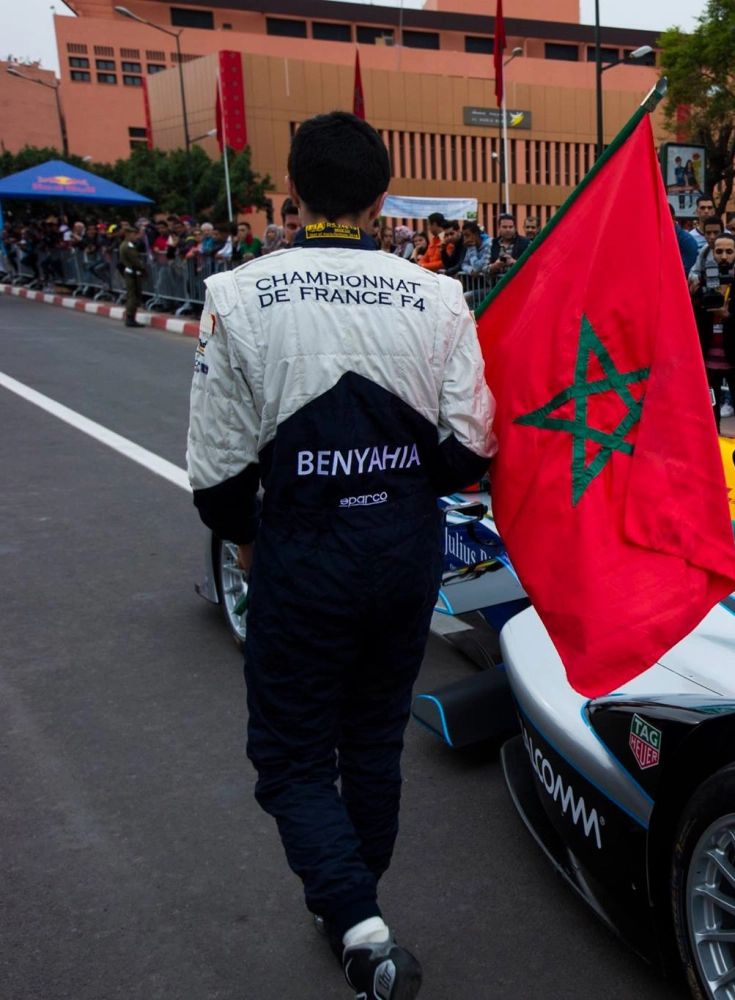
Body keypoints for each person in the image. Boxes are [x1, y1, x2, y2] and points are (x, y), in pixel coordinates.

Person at [185, 110, 496, 1000]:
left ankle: (359, 928)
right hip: (403, 551)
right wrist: (401, 481)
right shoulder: (437, 294)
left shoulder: (235, 293)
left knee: (289, 757)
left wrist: (250, 539)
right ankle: (356, 902)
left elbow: (215, 470)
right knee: (370, 741)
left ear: (293, 192)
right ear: (381, 197)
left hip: (303, 551)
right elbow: (475, 442)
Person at [695, 234, 735, 451]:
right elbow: (692, 322)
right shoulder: (702, 284)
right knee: (709, 420)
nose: (723, 256)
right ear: (712, 253)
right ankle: (711, 465)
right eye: (719, 251)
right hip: (708, 364)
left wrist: (727, 315)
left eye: (728, 252)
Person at [118, 222, 145, 328]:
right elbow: (135, 261)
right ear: (128, 234)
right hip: (132, 273)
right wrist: (143, 270)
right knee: (133, 296)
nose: (136, 237)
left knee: (132, 295)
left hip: (130, 271)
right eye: (134, 234)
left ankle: (131, 317)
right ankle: (130, 317)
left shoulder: (125, 245)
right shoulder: (128, 246)